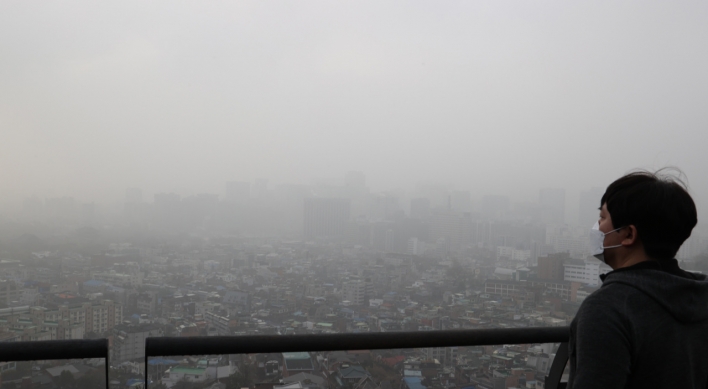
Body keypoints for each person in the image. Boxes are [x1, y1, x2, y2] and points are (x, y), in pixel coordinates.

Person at [567, 169, 708, 389]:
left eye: (603, 217)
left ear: (629, 235)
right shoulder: (700, 298)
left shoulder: (608, 308)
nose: (597, 226)